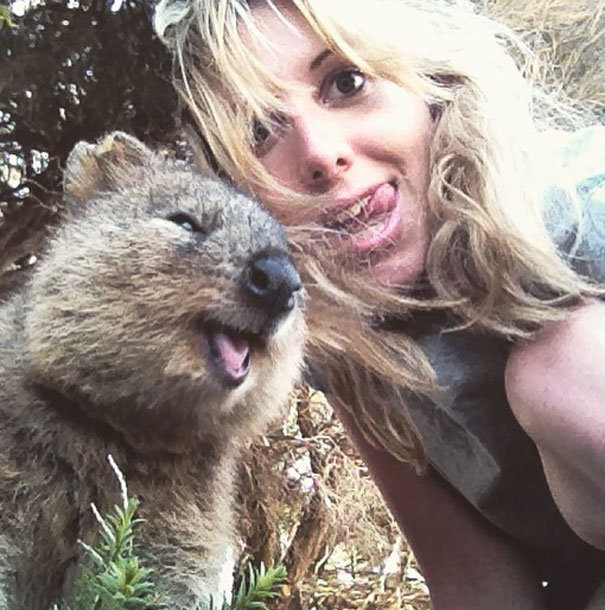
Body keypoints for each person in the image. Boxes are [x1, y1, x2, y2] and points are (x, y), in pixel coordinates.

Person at [153, 1, 605, 608]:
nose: (319, 153)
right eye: (260, 130)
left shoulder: (584, 202)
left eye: (346, 82)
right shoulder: (339, 338)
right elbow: (478, 584)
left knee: (559, 375)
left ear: (429, 80)